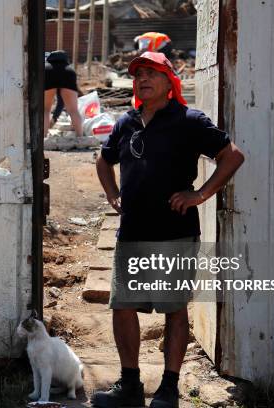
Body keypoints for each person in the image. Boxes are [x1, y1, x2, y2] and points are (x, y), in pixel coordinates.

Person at [91, 52, 244, 408]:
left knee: (175, 309)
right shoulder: (126, 122)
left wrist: (201, 194)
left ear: (169, 81)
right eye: (139, 74)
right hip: (132, 232)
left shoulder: (188, 120)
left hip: (174, 233)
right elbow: (103, 159)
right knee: (123, 307)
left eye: (152, 73)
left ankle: (169, 389)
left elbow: (232, 155)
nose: (143, 78)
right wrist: (113, 195)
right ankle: (129, 385)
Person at [44, 50, 83, 137]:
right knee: (73, 110)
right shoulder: (70, 69)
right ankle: (80, 136)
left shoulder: (46, 67)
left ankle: (43, 137)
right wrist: (55, 117)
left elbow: (60, 101)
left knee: (45, 109)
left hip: (48, 73)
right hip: (68, 74)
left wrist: (54, 117)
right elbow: (61, 101)